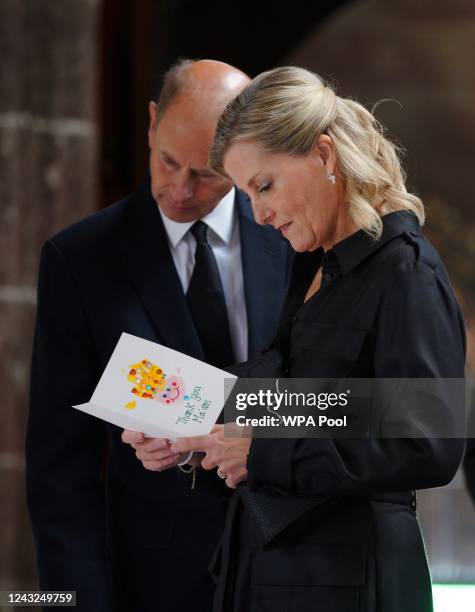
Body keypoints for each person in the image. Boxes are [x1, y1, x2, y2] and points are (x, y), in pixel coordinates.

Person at [168, 67, 466, 611]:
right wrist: (188, 426)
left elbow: (429, 443)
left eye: (264, 186)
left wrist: (264, 454)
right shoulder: (312, 265)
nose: (257, 214)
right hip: (269, 573)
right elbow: (310, 401)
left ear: (324, 156)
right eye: (246, 195)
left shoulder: (407, 274)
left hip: (350, 583)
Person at [26, 60, 291, 612]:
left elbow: (337, 399)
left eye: (208, 173)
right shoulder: (80, 260)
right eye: (168, 161)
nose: (180, 189)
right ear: (151, 124)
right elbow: (60, 467)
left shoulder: (294, 237)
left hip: (289, 568)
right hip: (151, 580)